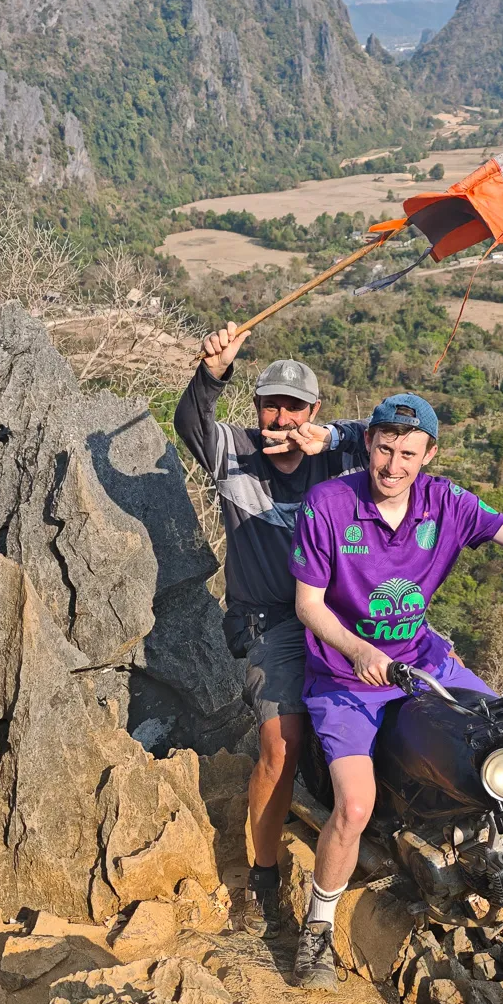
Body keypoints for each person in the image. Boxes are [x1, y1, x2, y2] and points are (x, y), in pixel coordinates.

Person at [286, 393, 503, 989]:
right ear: (368, 444)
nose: (393, 465)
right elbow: (309, 605)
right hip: (345, 678)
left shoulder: (446, 503)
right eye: (384, 448)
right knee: (354, 806)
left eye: (408, 453)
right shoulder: (328, 505)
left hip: (425, 662)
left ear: (428, 455)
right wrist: (359, 651)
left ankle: (502, 856)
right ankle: (317, 924)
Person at [175, 321, 367, 938]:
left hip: (338, 613)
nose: (280, 418)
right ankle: (263, 878)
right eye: (269, 405)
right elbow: (189, 421)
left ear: (314, 412)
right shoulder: (234, 451)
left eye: (294, 407)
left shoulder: (337, 458)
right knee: (282, 743)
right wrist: (212, 372)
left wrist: (332, 437)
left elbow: (395, 438)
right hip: (271, 619)